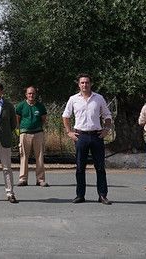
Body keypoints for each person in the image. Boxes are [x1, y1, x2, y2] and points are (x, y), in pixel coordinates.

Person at [62, 74, 113, 205]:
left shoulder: (99, 98)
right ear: (78, 85)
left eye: (87, 82)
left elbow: (107, 115)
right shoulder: (73, 99)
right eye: (82, 83)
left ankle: (102, 195)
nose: (85, 85)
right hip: (80, 136)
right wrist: (69, 132)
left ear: (91, 84)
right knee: (80, 167)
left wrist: (106, 129)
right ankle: (80, 195)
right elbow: (66, 116)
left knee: (100, 167)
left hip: (96, 135)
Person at [15, 86, 48, 187]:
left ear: (35, 94)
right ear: (26, 95)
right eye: (29, 93)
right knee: (24, 156)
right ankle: (23, 179)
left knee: (39, 156)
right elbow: (17, 119)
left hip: (38, 133)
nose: (31, 95)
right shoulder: (21, 106)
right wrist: (19, 131)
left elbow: (43, 119)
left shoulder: (40, 106)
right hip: (24, 133)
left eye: (33, 93)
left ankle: (40, 179)